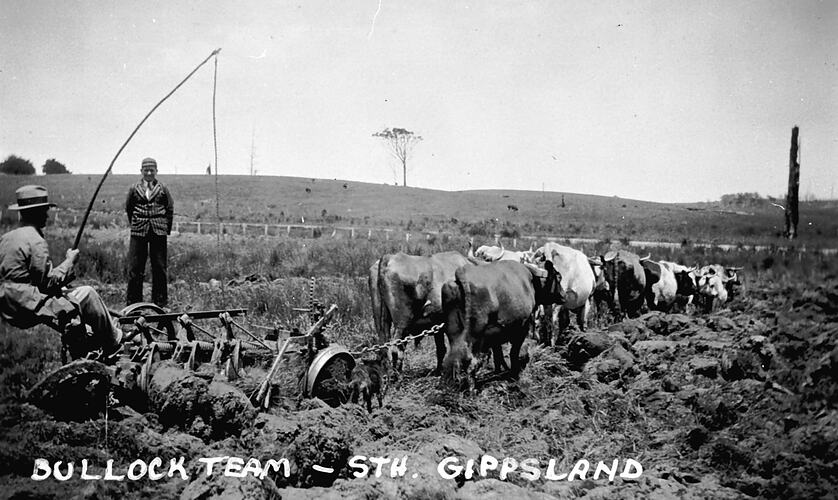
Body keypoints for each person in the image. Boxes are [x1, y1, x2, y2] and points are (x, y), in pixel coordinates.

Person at [0, 185, 122, 358]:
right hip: (25, 305)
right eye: (44, 211)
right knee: (88, 294)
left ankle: (88, 342)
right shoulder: (35, 240)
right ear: (36, 213)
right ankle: (113, 342)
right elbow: (48, 283)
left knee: (67, 295)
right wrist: (69, 261)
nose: (47, 215)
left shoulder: (7, 237)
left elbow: (25, 277)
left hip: (7, 303)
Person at [125, 157, 174, 308]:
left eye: (152, 170)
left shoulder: (163, 188)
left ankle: (160, 303)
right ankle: (134, 304)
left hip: (158, 232)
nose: (148, 172)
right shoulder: (134, 189)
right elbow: (129, 208)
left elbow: (169, 209)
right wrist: (136, 224)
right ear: (141, 171)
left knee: (159, 267)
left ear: (156, 171)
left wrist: (165, 228)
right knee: (135, 268)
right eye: (146, 170)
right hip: (138, 231)